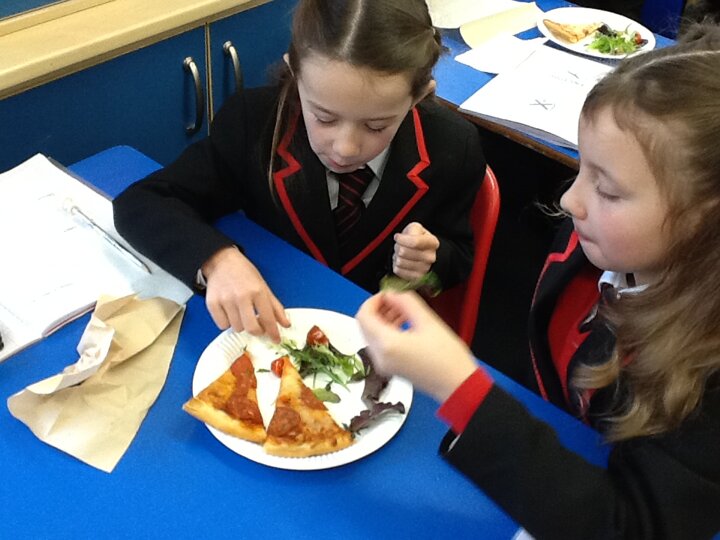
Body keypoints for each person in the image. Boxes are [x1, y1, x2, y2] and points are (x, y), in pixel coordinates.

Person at [356, 24, 720, 539]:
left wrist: (459, 387)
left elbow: (628, 526)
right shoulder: (593, 254)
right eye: (581, 168)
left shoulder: (706, 380)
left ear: (704, 222)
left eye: (607, 190)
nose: (569, 201)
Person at [113, 0, 485, 342]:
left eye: (376, 126)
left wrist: (432, 260)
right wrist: (217, 260)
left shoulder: (453, 147)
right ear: (295, 72)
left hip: (375, 341)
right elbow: (142, 202)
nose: (345, 148)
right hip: (273, 327)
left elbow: (460, 255)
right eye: (324, 118)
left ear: (419, 96)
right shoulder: (252, 124)